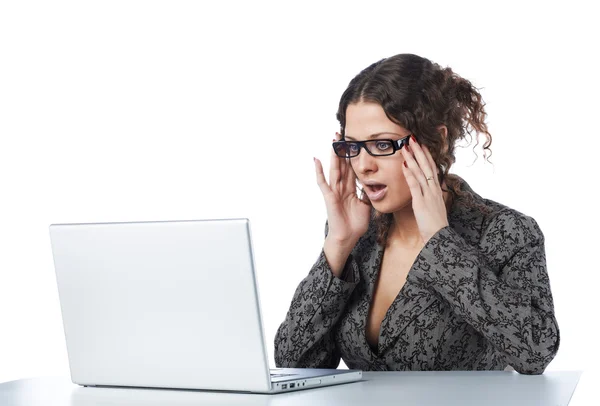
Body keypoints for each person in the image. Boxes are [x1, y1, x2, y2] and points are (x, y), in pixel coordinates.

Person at [273, 53, 559, 375]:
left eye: (382, 145)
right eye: (353, 146)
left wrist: (441, 243)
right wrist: (338, 244)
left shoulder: (506, 232)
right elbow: (293, 365)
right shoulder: (359, 235)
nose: (364, 165)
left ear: (436, 139)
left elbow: (535, 352)